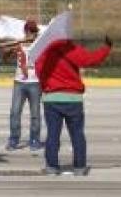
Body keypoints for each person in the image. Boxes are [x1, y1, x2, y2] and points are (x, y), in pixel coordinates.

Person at [35, 31, 112, 176]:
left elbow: (39, 71)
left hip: (51, 98)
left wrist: (47, 86)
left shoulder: (43, 51)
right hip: (73, 98)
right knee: (77, 134)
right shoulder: (70, 48)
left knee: (52, 134)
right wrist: (106, 48)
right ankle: (79, 167)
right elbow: (90, 60)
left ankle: (52, 167)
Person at [2, 20, 42, 152]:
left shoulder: (40, 45)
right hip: (19, 82)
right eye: (29, 31)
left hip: (35, 82)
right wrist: (8, 51)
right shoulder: (18, 44)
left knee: (35, 113)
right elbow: (5, 59)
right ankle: (14, 139)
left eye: (34, 31)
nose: (31, 33)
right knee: (15, 112)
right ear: (25, 31)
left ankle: (35, 139)